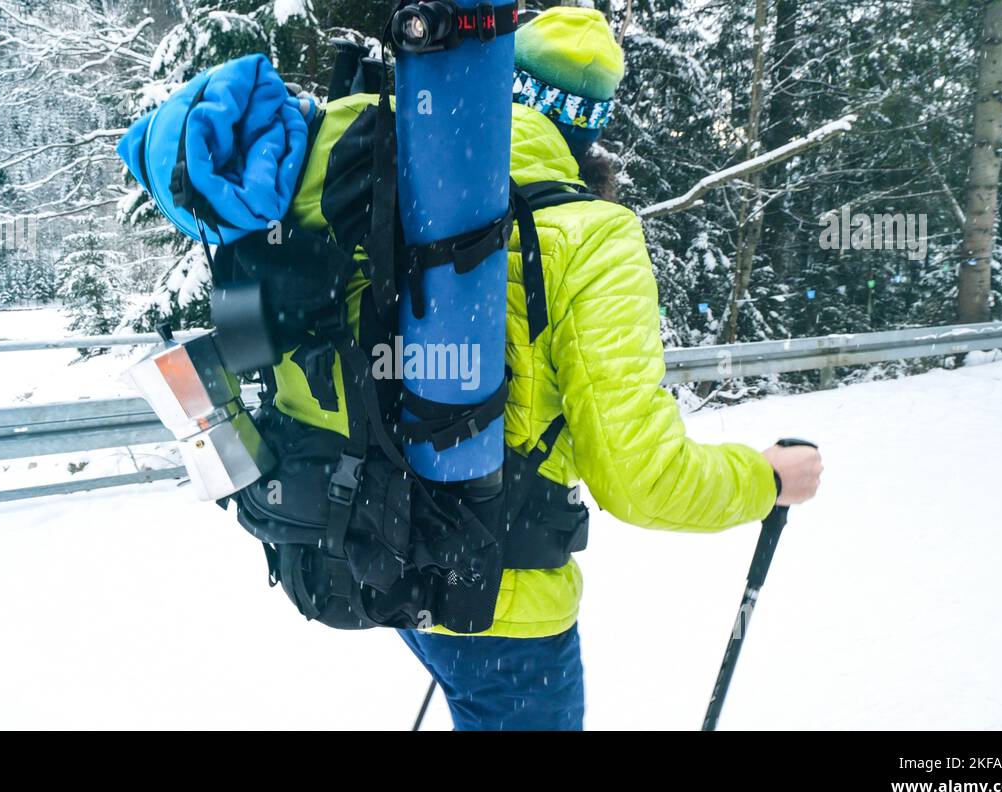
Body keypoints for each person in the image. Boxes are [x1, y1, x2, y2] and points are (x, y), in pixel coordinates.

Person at [244, 5, 822, 730]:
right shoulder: (592, 237)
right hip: (503, 612)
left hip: (378, 552)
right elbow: (643, 481)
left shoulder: (390, 184)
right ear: (587, 129)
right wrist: (766, 479)